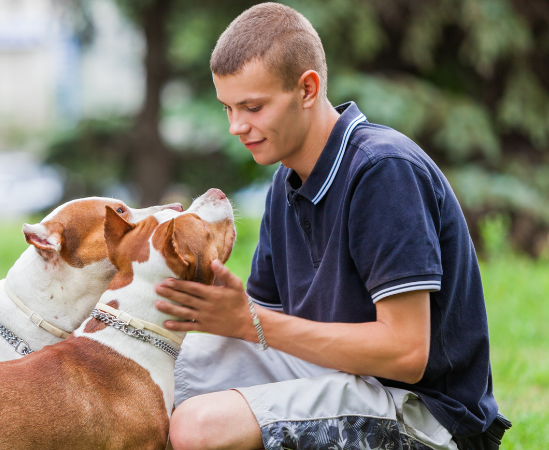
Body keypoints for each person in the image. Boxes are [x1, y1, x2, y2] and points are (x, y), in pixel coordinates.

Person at [155, 3, 506, 450]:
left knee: (199, 426)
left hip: (425, 416)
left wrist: (249, 322)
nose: (236, 127)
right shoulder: (285, 181)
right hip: (332, 375)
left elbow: (406, 352)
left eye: (252, 107)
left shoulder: (383, 170)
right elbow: (267, 327)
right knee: (155, 368)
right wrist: (217, 308)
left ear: (307, 88)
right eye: (227, 108)